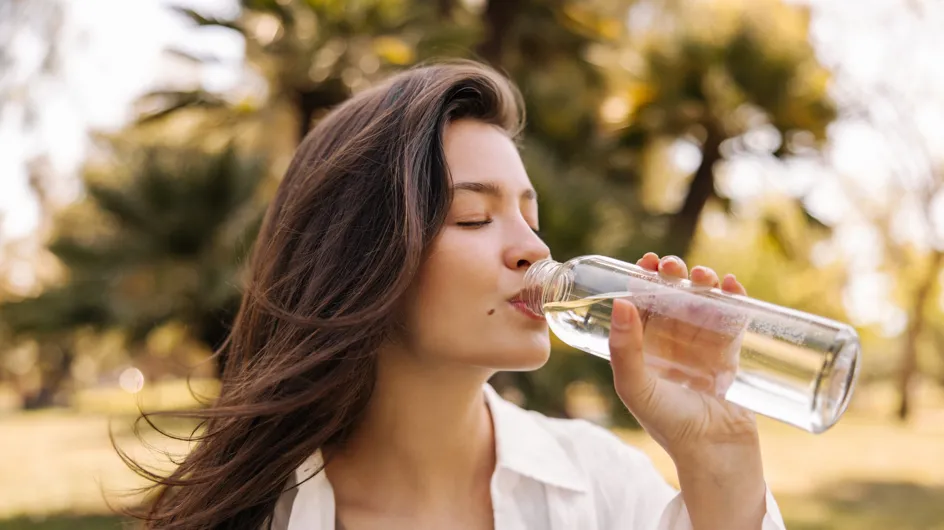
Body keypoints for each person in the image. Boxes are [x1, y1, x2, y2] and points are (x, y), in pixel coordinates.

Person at [124, 60, 787, 529]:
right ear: (362, 256)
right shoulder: (258, 516)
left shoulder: (606, 491)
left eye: (532, 217)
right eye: (474, 217)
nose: (534, 249)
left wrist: (718, 462)